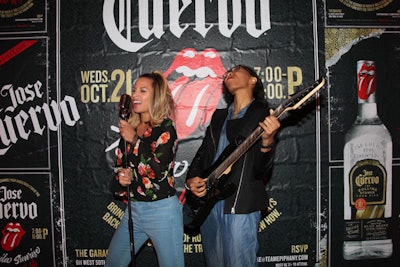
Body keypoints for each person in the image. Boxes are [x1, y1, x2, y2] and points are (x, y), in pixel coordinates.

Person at [185, 65, 281, 267]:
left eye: (237, 69)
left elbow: (260, 171)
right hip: (209, 206)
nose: (230, 72)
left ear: (253, 80)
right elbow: (203, 152)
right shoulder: (219, 116)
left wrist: (267, 142)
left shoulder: (263, 115)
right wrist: (192, 177)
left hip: (241, 204)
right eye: (228, 71)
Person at [105, 71, 184, 267]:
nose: (135, 95)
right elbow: (119, 173)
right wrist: (121, 179)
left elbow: (157, 171)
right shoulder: (131, 127)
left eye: (143, 91)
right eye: (134, 90)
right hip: (134, 210)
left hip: (162, 211)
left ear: (156, 96)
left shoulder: (166, 128)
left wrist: (135, 140)